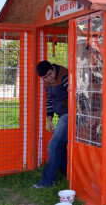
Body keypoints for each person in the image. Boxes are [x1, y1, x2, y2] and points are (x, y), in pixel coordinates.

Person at [33, 60, 69, 188]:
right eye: (45, 77)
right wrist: (49, 119)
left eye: (50, 74)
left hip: (69, 115)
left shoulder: (65, 76)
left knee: (53, 146)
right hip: (62, 116)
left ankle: (47, 182)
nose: (49, 78)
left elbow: (78, 96)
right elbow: (49, 100)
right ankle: (68, 174)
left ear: (53, 68)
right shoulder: (47, 83)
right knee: (59, 147)